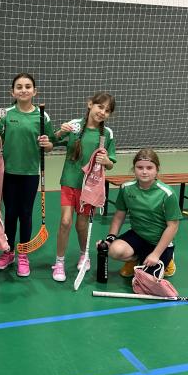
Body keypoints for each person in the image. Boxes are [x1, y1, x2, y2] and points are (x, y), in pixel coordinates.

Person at [0, 73, 55, 277]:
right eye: (19, 87)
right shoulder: (6, 114)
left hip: (30, 174)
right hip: (9, 173)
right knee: (10, 213)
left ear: (35, 91)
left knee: (25, 213)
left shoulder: (42, 116)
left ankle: (23, 255)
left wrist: (47, 144)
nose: (24, 90)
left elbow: (50, 144)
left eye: (28, 86)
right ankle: (8, 252)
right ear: (13, 92)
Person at [51, 92, 117, 282]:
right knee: (65, 222)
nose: (102, 112)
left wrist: (106, 161)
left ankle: (84, 255)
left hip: (90, 187)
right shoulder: (75, 126)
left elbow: (111, 163)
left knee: (81, 225)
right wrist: (61, 131)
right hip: (69, 181)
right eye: (100, 107)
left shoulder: (107, 134)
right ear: (90, 104)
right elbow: (52, 141)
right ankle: (59, 262)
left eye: (107, 110)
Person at [99, 149, 180, 278]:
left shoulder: (167, 194)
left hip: (159, 241)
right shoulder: (126, 188)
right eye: (140, 167)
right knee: (114, 250)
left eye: (149, 168)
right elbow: (119, 216)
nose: (144, 171)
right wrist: (110, 239)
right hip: (138, 235)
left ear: (157, 170)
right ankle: (134, 259)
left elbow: (173, 226)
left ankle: (168, 260)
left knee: (147, 280)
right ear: (134, 169)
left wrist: (156, 254)